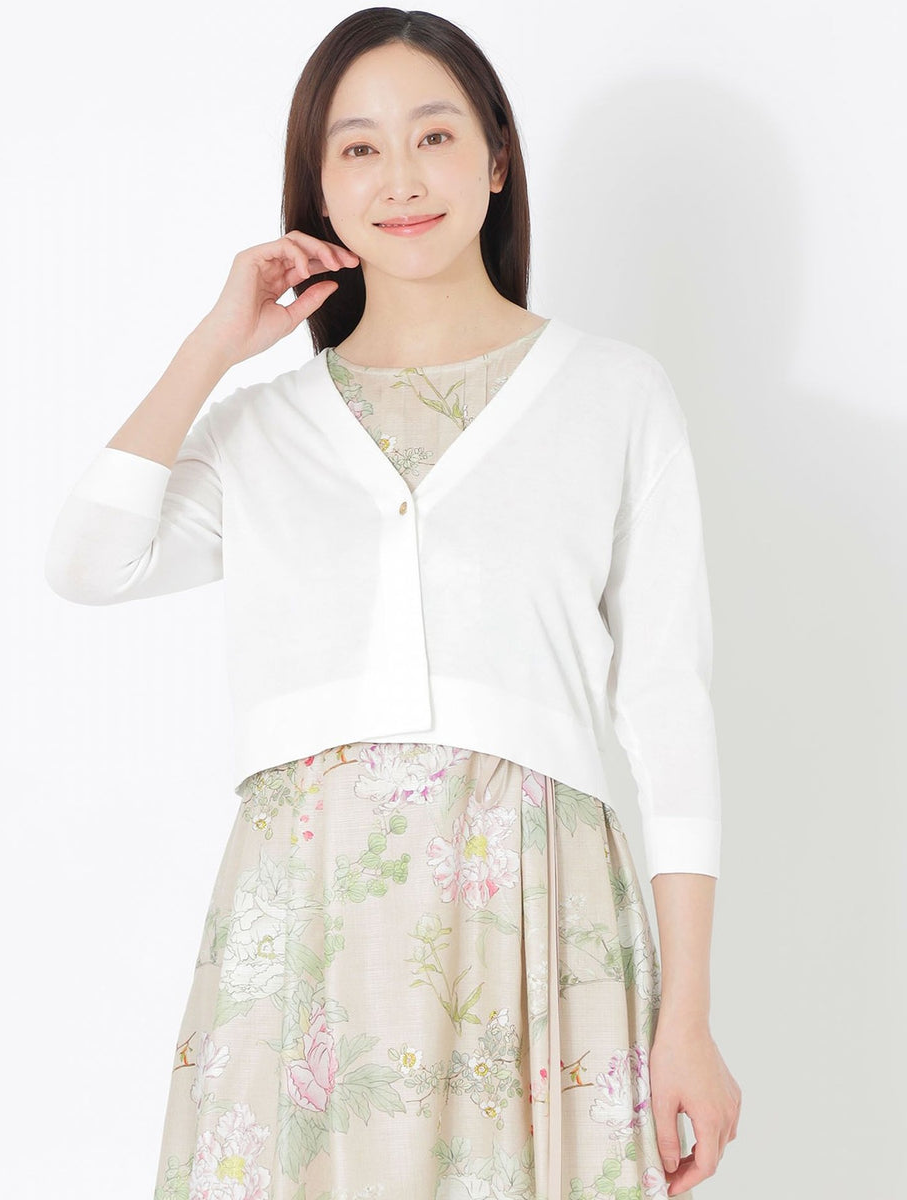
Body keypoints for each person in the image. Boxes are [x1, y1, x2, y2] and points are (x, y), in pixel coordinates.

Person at [44, 9, 741, 1199]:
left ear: (496, 159)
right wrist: (215, 345)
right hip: (304, 924)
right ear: (317, 186)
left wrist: (687, 1018)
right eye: (358, 148)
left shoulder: (613, 397)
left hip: (540, 913)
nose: (401, 178)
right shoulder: (265, 429)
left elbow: (668, 708)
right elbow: (89, 562)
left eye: (434, 135)